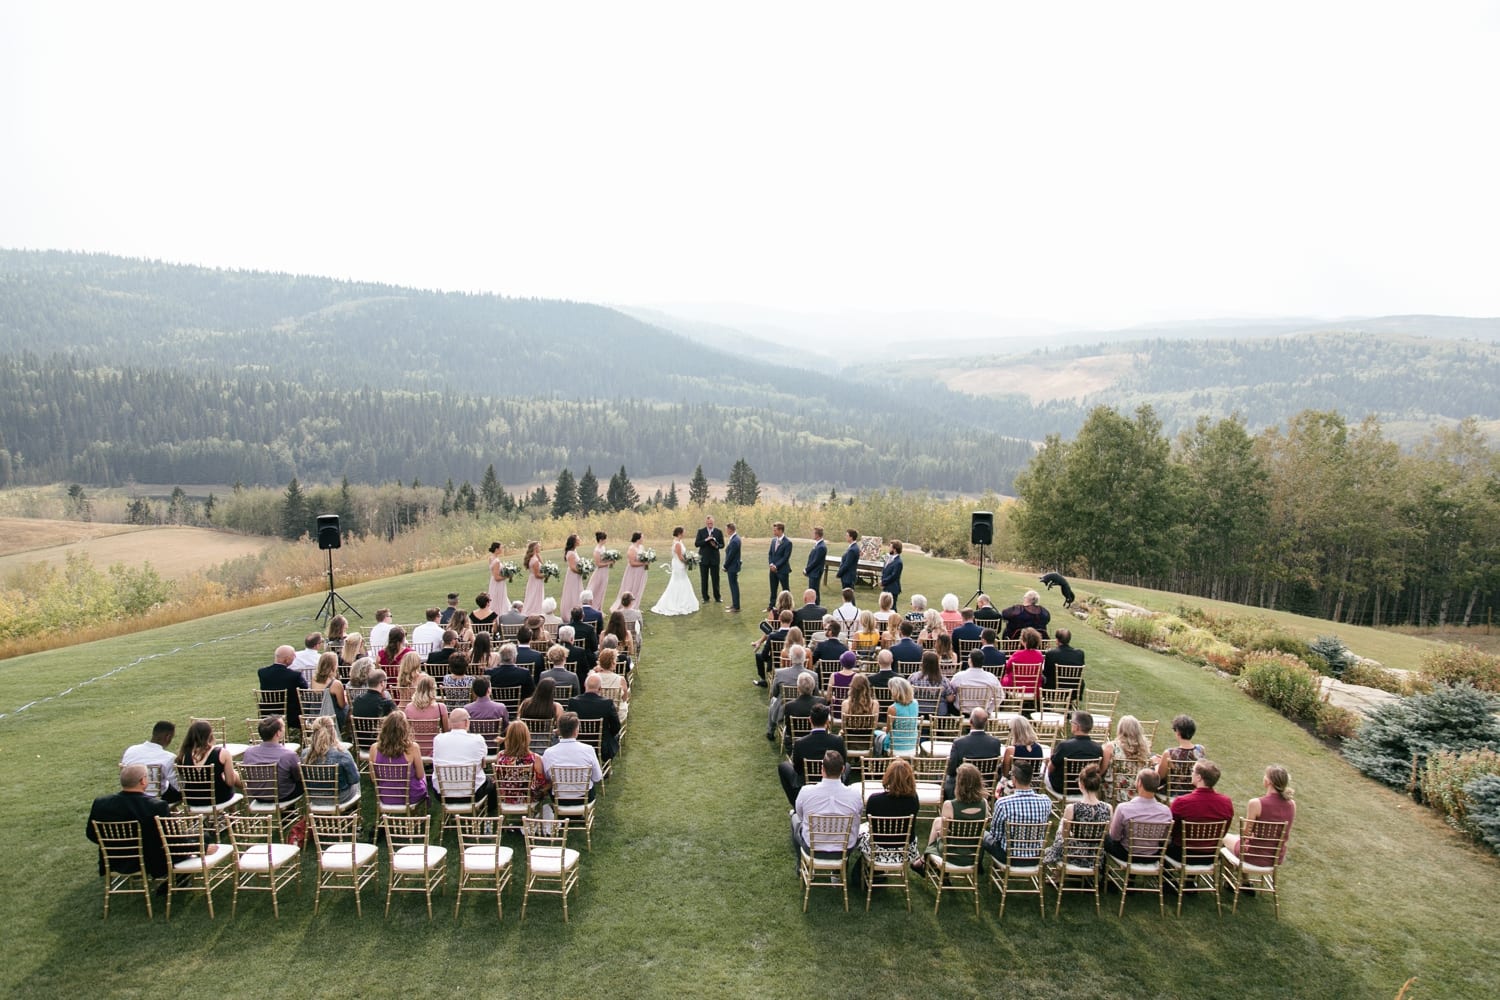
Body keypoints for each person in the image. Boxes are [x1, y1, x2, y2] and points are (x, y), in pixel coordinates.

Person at [87, 764, 173, 881]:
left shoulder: (101, 803)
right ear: (143, 781)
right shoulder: (156, 806)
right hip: (149, 861)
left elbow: (92, 834)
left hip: (113, 860)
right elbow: (170, 838)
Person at [791, 750, 864, 864]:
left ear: (822, 769)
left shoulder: (806, 791)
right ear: (843, 769)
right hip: (844, 849)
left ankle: (801, 865)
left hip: (813, 848)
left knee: (795, 819)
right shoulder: (854, 794)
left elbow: (801, 815)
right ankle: (837, 872)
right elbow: (859, 814)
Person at [1222, 764, 1297, 865]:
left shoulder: (1256, 803)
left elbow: (1245, 834)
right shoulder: (1292, 804)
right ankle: (1244, 879)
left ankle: (1233, 878)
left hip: (1253, 855)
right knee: (1237, 839)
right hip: (1275, 857)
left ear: (1269, 781)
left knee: (1224, 838)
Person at [981, 759, 1050, 863]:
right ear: (1031, 778)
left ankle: (978, 867)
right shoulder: (1046, 801)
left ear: (1014, 779)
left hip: (1008, 857)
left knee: (982, 833)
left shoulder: (1003, 803)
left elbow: (996, 835)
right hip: (1035, 856)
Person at [1043, 763, 1112, 864]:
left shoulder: (1072, 808)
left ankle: (1056, 871)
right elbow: (1107, 834)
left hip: (1073, 854)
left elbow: (1064, 836)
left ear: (1082, 785)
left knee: (1062, 826)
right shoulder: (1108, 808)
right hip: (1096, 855)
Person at [778, 704, 847, 806]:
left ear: (810, 720)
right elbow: (843, 763)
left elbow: (797, 768)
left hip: (806, 780)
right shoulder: (837, 741)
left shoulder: (800, 743)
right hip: (831, 777)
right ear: (827, 721)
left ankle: (796, 803)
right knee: (848, 767)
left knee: (784, 766)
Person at [1167, 760, 1235, 861]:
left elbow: (1170, 829)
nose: (1191, 773)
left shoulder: (1182, 802)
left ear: (1199, 778)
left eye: (1192, 771)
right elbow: (1223, 831)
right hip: (1210, 855)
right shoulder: (1226, 803)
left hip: (1181, 854)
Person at [861, 756, 921, 868]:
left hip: (878, 850)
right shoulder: (913, 799)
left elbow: (870, 824)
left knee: (860, 830)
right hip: (905, 850)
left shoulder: (874, 800)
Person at [432, 708, 496, 812]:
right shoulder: (477, 739)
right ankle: (489, 810)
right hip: (473, 793)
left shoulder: (438, 739)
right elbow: (483, 763)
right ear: (466, 722)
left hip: (443, 794)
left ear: (449, 722)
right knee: (490, 781)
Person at [1105, 769, 1173, 861]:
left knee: (1104, 838)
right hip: (1152, 856)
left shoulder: (1123, 808)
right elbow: (1164, 839)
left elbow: (1114, 837)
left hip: (1127, 854)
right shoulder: (1166, 812)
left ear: (1139, 783)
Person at [175, 720, 242, 808]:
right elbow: (230, 782)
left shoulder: (183, 755)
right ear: (210, 735)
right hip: (219, 798)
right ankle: (251, 791)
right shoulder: (222, 753)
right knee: (234, 774)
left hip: (193, 800)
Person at [928, 762, 987, 858]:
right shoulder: (984, 803)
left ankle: (925, 859)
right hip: (974, 853)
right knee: (937, 821)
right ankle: (924, 859)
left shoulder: (949, 805)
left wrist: (939, 834)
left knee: (937, 827)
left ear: (959, 783)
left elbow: (943, 836)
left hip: (951, 852)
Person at [543, 712, 604, 802]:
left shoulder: (549, 753)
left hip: (559, 799)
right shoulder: (588, 750)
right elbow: (597, 777)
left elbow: (547, 777)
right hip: (584, 797)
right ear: (576, 731)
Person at [372, 710, 427, 809]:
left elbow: (373, 778)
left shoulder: (374, 748)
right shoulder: (413, 747)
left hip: (386, 796)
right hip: (411, 796)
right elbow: (420, 775)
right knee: (424, 778)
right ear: (405, 729)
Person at [242, 715, 303, 803]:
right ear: (278, 733)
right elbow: (298, 776)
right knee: (303, 781)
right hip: (283, 796)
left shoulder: (249, 752)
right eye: (283, 727)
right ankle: (292, 814)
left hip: (258, 795)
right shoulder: (288, 755)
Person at [943, 708, 1002, 799]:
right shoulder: (995, 742)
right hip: (986, 784)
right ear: (986, 722)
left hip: (963, 786)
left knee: (945, 778)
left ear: (970, 722)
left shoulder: (959, 743)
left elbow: (951, 770)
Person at [301, 715, 359, 805]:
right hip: (339, 798)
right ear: (333, 731)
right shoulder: (342, 754)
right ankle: (351, 812)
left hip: (314, 798)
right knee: (356, 781)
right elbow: (354, 779)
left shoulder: (305, 754)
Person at [121, 720, 180, 803]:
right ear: (168, 737)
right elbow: (178, 785)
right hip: (156, 797)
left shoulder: (131, 750)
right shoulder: (169, 758)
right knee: (181, 789)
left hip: (129, 793)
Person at [568, 674, 622, 761]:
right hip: (602, 746)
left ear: (585, 686)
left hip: (578, 742)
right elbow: (616, 727)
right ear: (600, 688)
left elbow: (569, 725)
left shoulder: (573, 702)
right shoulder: (607, 703)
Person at [1048, 711, 1104, 795]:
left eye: (1071, 722)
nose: (1070, 724)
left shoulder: (1064, 746)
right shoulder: (1097, 748)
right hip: (1087, 787)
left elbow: (1050, 768)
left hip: (1061, 787)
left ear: (1076, 727)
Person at [495, 720, 549, 804]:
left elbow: (498, 779)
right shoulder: (535, 758)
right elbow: (540, 784)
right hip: (528, 799)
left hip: (506, 798)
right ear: (527, 737)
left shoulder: (500, 756)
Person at [1100, 715, 1153, 801]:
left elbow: (1101, 770)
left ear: (1120, 730)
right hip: (1136, 795)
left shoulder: (1111, 747)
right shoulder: (1144, 750)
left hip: (1112, 794)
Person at [651, 526, 701, 616]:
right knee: (679, 582)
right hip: (679, 565)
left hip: (679, 564)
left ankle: (682, 600)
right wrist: (688, 562)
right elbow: (680, 557)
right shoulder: (677, 544)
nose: (684, 534)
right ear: (679, 533)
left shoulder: (679, 542)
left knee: (682, 581)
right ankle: (677, 603)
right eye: (683, 532)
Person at [257, 644, 309, 730]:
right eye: (293, 656)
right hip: (291, 715)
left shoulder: (262, 672)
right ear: (287, 659)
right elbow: (304, 689)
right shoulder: (294, 675)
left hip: (267, 713)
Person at [1156, 714, 1207, 786]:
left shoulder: (1169, 753)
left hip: (1173, 792)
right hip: (1194, 790)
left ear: (1178, 732)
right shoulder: (1201, 749)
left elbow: (1159, 777)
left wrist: (1157, 765)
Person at [950, 649, 1002, 714]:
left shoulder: (959, 676)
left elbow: (950, 693)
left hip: (960, 712)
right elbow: (1000, 696)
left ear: (970, 661)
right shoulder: (991, 678)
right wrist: (989, 710)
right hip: (982, 712)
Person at [308, 651, 349, 730]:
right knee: (349, 708)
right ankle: (350, 734)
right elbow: (342, 705)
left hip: (315, 714)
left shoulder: (314, 678)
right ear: (334, 666)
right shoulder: (336, 684)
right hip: (331, 717)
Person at [1001, 715, 1046, 787]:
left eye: (1010, 730)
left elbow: (1005, 774)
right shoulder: (1039, 748)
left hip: (1015, 785)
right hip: (1034, 785)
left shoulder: (1011, 750)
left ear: (1015, 731)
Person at [909, 650, 956, 716]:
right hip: (938, 714)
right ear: (937, 663)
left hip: (917, 711)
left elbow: (906, 695)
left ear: (923, 663)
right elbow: (950, 699)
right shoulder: (943, 680)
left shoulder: (913, 677)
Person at [612, 531, 648, 612]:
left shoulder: (641, 547)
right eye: (642, 537)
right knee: (631, 587)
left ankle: (635, 606)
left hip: (641, 572)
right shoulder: (632, 548)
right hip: (633, 572)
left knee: (639, 588)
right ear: (638, 538)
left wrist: (647, 561)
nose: (643, 539)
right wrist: (643, 563)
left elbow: (644, 557)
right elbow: (632, 563)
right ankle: (627, 606)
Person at [591, 647, 630, 722]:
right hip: (617, 714)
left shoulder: (593, 678)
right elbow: (624, 698)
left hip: (598, 712)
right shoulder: (621, 679)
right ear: (612, 663)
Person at [1006, 627, 1047, 698]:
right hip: (1033, 688)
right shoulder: (1039, 655)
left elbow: (1007, 668)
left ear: (1023, 641)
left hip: (1016, 687)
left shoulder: (1017, 654)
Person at [885, 677, 920, 756]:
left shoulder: (892, 708)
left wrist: (885, 729)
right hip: (912, 744)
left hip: (896, 746)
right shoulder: (915, 703)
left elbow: (888, 731)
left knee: (877, 734)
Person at [1043, 627, 1086, 692]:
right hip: (1073, 690)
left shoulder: (1050, 653)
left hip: (1053, 689)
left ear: (1057, 640)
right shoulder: (1080, 653)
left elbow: (1046, 672)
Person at [694, 515, 724, 604]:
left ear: (713, 522)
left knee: (716, 579)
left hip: (714, 559)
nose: (710, 524)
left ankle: (717, 597)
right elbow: (697, 544)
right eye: (708, 523)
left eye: (711, 523)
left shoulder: (718, 532)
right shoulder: (701, 531)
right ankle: (705, 598)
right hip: (704, 559)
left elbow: (722, 545)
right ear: (706, 523)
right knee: (704, 579)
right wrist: (706, 540)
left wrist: (716, 545)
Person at [767, 521, 792, 609]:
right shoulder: (773, 541)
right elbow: (770, 554)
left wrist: (776, 566)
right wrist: (771, 564)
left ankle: (787, 606)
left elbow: (785, 557)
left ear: (780, 530)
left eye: (775, 530)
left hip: (782, 570)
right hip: (772, 570)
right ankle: (771, 606)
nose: (774, 532)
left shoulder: (788, 542)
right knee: (773, 589)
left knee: (785, 589)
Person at [522, 540, 547, 615]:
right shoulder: (535, 560)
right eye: (539, 546)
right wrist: (546, 575)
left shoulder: (535, 557)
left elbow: (543, 565)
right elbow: (537, 575)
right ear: (535, 548)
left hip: (533, 580)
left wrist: (539, 556)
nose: (540, 548)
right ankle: (534, 612)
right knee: (535, 597)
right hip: (536, 581)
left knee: (532, 596)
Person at [804, 526, 828, 603]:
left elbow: (815, 561)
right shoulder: (818, 545)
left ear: (817, 535)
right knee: (813, 590)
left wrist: (806, 570)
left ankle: (816, 606)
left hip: (815, 572)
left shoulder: (821, 547)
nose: (812, 534)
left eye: (813, 533)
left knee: (814, 591)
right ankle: (813, 606)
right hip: (813, 572)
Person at [723, 521, 743, 612]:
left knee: (734, 586)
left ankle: (736, 607)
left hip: (732, 566)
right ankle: (734, 604)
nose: (726, 531)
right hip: (732, 566)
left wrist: (725, 566)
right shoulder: (734, 538)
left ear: (730, 529)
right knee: (733, 586)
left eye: (727, 529)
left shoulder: (735, 540)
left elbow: (731, 555)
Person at [487, 541, 510, 613]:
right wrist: (507, 576)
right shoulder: (496, 561)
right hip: (498, 584)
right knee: (499, 599)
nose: (502, 549)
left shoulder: (491, 558)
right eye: (501, 548)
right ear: (497, 549)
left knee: (495, 598)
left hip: (493, 583)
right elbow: (496, 578)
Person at [879, 540, 904, 605]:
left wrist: (883, 582)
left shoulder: (898, 562)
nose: (889, 549)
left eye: (890, 547)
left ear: (894, 549)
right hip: (887, 587)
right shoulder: (890, 559)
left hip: (892, 588)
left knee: (892, 608)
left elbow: (894, 576)